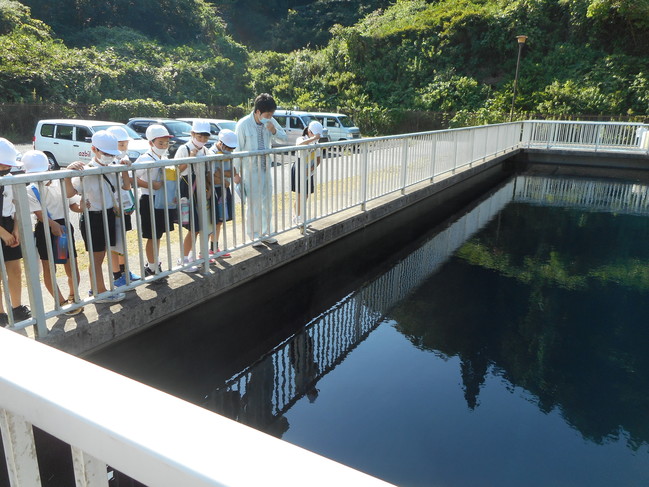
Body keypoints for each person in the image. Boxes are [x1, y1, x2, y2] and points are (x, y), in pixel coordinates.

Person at [65, 131, 127, 303]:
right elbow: (70, 193)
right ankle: (99, 292)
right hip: (93, 218)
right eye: (105, 153)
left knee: (101, 256)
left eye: (111, 154)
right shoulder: (85, 170)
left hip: (108, 214)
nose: (109, 157)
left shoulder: (114, 166)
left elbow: (125, 186)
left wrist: (126, 166)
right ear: (94, 149)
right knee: (96, 258)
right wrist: (68, 174)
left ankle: (99, 290)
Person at [23, 150, 83, 316]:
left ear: (49, 168)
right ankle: (60, 301)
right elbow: (39, 214)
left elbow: (72, 203)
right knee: (49, 267)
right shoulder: (30, 189)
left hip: (63, 227)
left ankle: (73, 296)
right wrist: (52, 224)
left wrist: (81, 207)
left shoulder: (60, 182)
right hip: (46, 228)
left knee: (70, 263)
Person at [234, 93, 287, 247]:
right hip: (250, 170)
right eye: (267, 114)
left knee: (267, 201)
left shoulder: (271, 121)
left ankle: (266, 232)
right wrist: (236, 173)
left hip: (265, 168)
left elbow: (283, 138)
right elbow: (237, 150)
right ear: (257, 111)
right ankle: (253, 235)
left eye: (272, 114)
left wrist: (273, 130)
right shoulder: (243, 124)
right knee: (253, 203)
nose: (269, 117)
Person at [134, 124, 175, 278]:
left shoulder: (163, 157)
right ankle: (151, 267)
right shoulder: (144, 158)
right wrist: (150, 185)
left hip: (161, 200)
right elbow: (132, 177)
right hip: (148, 199)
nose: (164, 146)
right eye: (160, 143)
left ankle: (154, 263)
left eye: (166, 143)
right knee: (152, 235)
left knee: (158, 234)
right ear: (151, 143)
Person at [0, 138, 31, 325]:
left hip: (10, 223)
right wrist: (3, 233)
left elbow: (17, 204)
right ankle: (0, 313)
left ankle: (16, 307)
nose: (7, 168)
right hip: (2, 229)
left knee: (14, 269)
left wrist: (16, 229)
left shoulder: (11, 178)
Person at [175, 120, 212, 272]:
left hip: (201, 189)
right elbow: (178, 168)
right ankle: (183, 260)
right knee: (193, 226)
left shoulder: (205, 150)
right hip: (187, 189)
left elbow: (207, 171)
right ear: (192, 134)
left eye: (205, 137)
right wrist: (191, 157)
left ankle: (190, 256)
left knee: (201, 225)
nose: (202, 140)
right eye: (199, 136)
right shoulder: (184, 148)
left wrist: (209, 188)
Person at [105, 125, 140, 288]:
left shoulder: (121, 161)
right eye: (120, 145)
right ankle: (116, 274)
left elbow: (127, 187)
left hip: (124, 210)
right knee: (113, 243)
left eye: (125, 144)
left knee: (122, 241)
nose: (123, 148)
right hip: (112, 210)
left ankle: (126, 272)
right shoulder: (107, 162)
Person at [208, 129, 238, 258]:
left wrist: (221, 175)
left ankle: (215, 248)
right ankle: (207, 250)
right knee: (212, 221)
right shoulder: (211, 153)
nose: (230, 151)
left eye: (232, 149)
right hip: (214, 191)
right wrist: (225, 181)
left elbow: (233, 171)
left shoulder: (227, 154)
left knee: (220, 221)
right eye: (228, 148)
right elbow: (211, 176)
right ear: (221, 143)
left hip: (223, 190)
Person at [292, 121, 324, 226]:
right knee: (300, 195)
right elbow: (299, 145)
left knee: (305, 196)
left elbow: (319, 159)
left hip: (309, 171)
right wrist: (314, 138)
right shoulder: (302, 139)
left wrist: (311, 169)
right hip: (299, 169)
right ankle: (297, 218)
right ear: (309, 132)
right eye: (315, 134)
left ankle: (299, 217)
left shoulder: (316, 144)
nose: (317, 138)